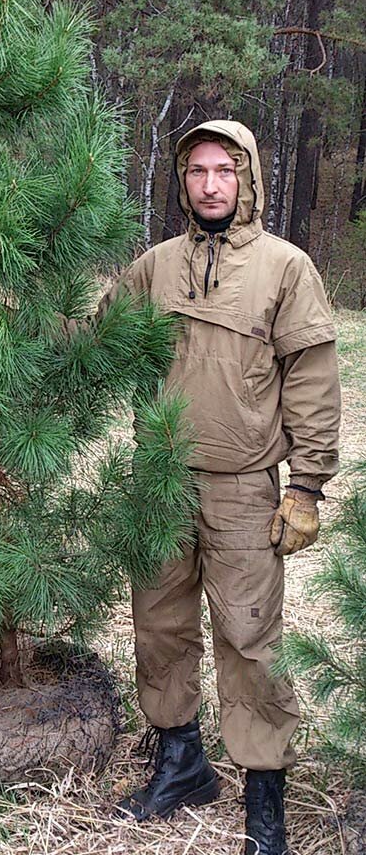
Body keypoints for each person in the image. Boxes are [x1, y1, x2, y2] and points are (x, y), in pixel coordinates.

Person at [95, 120, 341, 855]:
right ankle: (182, 765)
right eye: (197, 171)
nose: (210, 185)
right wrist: (22, 318)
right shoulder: (156, 266)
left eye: (224, 171)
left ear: (248, 179)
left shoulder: (285, 268)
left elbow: (312, 381)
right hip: (160, 479)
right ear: (183, 181)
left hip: (243, 489)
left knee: (249, 639)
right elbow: (101, 339)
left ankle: (265, 805)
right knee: (159, 627)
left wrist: (307, 486)